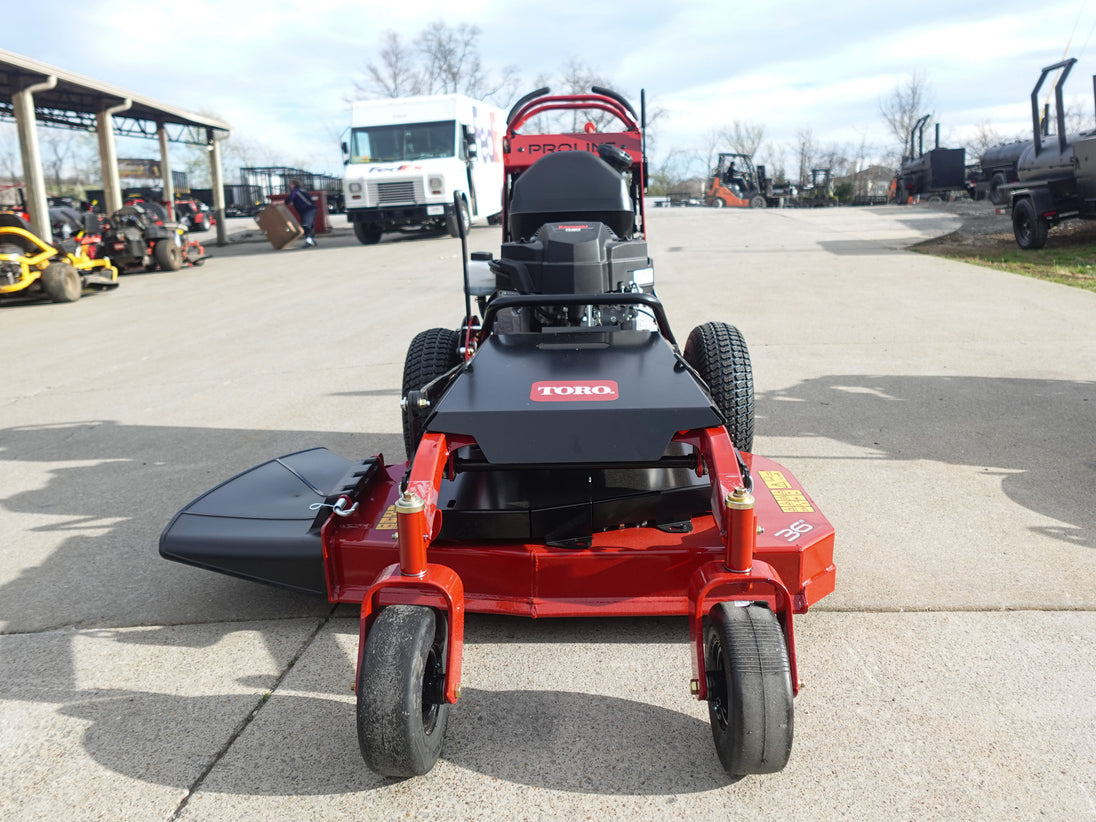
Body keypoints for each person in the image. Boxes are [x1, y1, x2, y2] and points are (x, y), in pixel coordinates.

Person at [286, 179, 317, 247]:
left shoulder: (295, 191)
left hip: (308, 209)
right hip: (310, 208)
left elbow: (289, 199)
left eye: (290, 184)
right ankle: (311, 240)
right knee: (310, 225)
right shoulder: (302, 190)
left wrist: (278, 203)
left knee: (306, 225)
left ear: (294, 184)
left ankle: (309, 242)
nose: (290, 185)